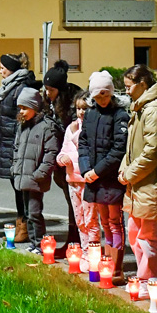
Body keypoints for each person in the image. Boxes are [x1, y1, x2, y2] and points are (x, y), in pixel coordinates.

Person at [119, 65, 157, 284]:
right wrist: (125, 168)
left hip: (150, 181)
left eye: (128, 86)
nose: (126, 91)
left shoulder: (152, 111)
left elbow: (152, 152)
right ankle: (145, 277)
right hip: (138, 181)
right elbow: (132, 148)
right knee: (135, 232)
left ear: (142, 83)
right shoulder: (141, 108)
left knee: (149, 236)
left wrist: (129, 173)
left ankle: (151, 280)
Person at [80, 71, 130, 279]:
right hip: (94, 177)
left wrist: (97, 171)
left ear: (111, 93)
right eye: (97, 96)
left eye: (104, 95)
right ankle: (106, 260)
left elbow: (118, 149)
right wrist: (85, 170)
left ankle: (116, 264)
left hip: (110, 178)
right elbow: (83, 142)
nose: (101, 100)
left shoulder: (120, 115)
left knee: (114, 220)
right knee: (103, 221)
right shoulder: (91, 114)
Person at [0, 53, 37, 241]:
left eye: (2, 67)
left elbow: (21, 116)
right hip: (7, 140)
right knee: (16, 185)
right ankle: (21, 224)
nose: (0, 71)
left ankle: (26, 227)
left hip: (16, 142)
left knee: (21, 187)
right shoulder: (9, 86)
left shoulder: (20, 87)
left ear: (11, 69)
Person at [11, 88, 60, 255]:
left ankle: (40, 243)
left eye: (25, 108)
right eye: (20, 108)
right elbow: (17, 148)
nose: (21, 112)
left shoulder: (47, 127)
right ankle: (33, 242)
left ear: (35, 107)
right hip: (23, 175)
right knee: (27, 212)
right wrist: (15, 167)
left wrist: (40, 173)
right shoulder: (22, 126)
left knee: (34, 212)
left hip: (35, 177)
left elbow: (51, 152)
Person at [43, 60, 84, 245]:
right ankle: (72, 240)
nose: (46, 93)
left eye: (50, 90)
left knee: (78, 205)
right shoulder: (51, 104)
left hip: (74, 164)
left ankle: (77, 242)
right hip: (60, 160)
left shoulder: (74, 107)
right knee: (71, 203)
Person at [57, 91, 96, 253]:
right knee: (79, 220)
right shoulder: (72, 127)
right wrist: (62, 159)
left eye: (85, 108)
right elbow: (63, 151)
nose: (81, 112)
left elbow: (84, 148)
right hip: (73, 179)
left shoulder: (91, 127)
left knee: (91, 220)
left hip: (87, 180)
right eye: (78, 108)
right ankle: (85, 251)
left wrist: (74, 133)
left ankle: (93, 253)